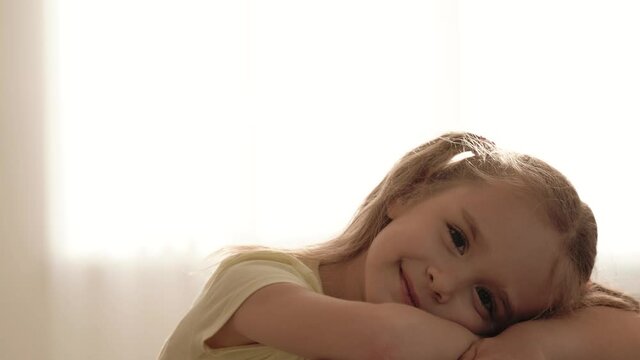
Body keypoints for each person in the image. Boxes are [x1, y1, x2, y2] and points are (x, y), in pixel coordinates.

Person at [158, 132, 640, 360]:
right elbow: (382, 340)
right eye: (457, 237)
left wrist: (534, 345)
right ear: (409, 194)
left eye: (486, 299)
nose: (444, 283)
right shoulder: (255, 280)